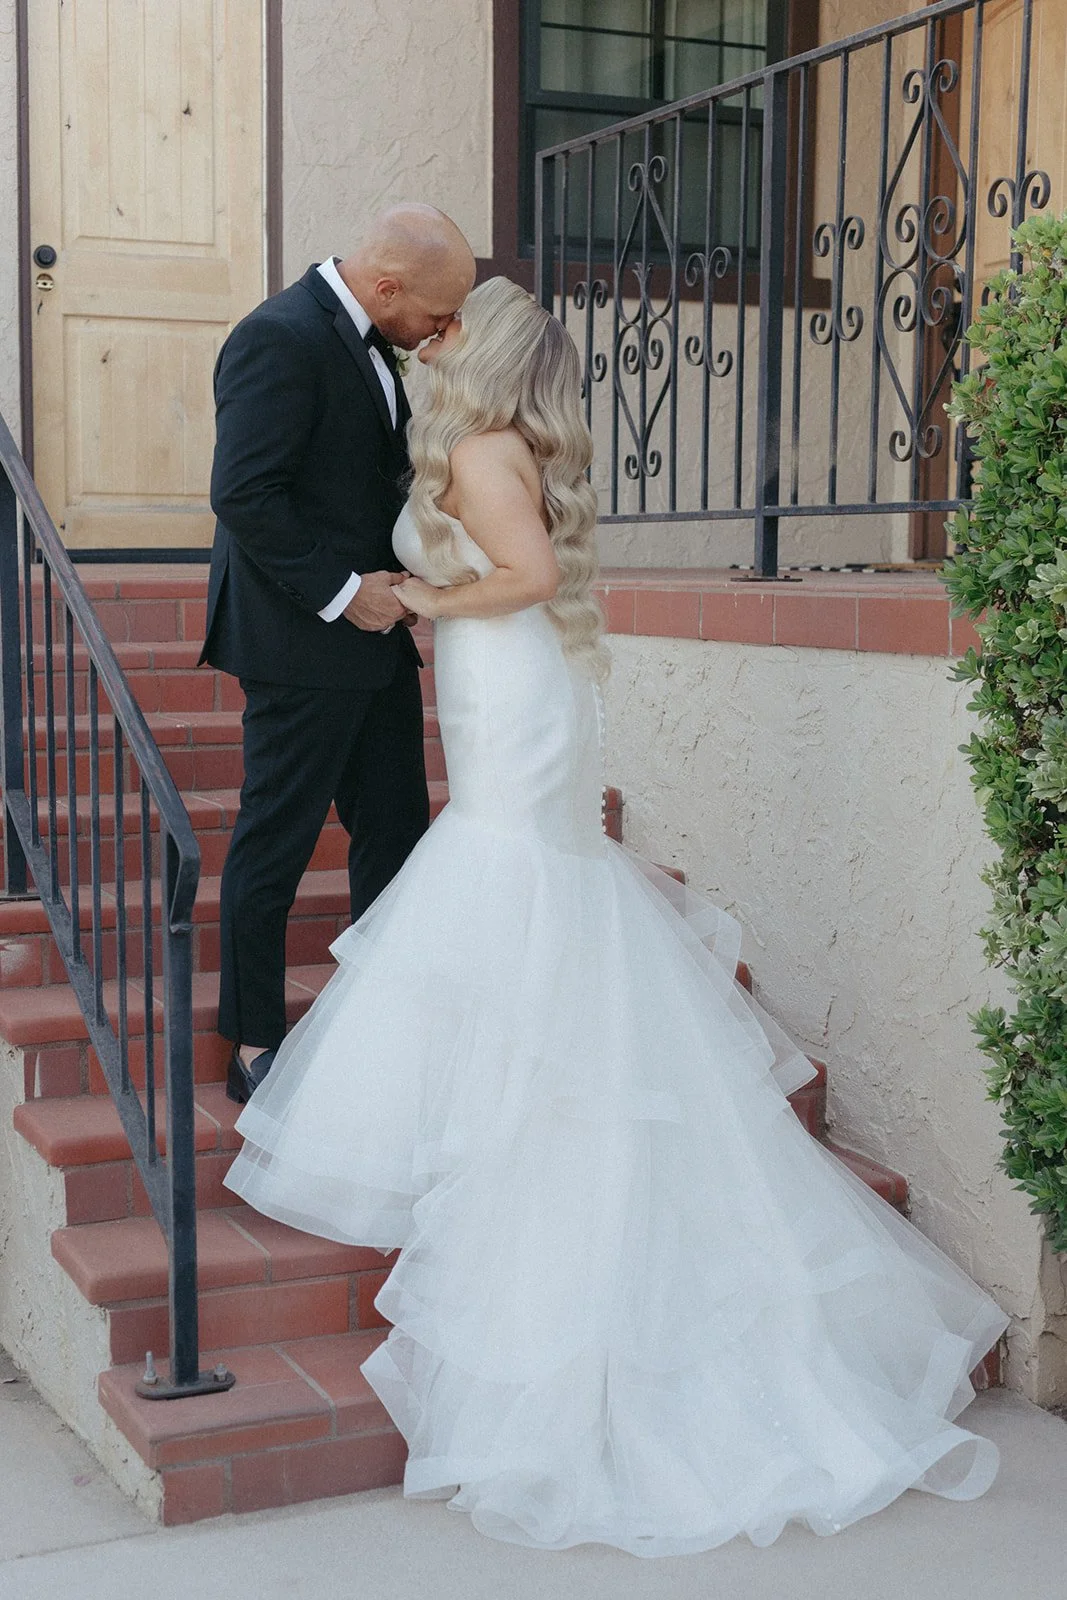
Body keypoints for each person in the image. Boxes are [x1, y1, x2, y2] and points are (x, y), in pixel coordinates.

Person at [224, 277, 1009, 1556]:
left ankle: (532, 1116)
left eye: (453, 328)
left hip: (505, 684)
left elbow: (523, 572)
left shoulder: (480, 448)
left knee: (509, 874)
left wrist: (417, 600)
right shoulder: (496, 443)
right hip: (507, 691)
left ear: (483, 352)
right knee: (518, 876)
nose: (437, 339)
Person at [201, 205, 476, 1103]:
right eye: (436, 315)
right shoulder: (276, 337)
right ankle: (252, 1042)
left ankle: (380, 1020)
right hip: (300, 642)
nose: (443, 331)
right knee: (275, 845)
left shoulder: (375, 337)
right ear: (386, 287)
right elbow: (246, 494)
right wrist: (343, 593)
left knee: (394, 835)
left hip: (376, 644)